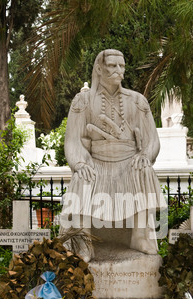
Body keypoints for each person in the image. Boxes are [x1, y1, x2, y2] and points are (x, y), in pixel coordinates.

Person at [60, 49, 164, 262]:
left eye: (122, 66)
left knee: (143, 167)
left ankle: (140, 236)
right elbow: (72, 139)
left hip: (129, 161)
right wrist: (80, 162)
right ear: (99, 68)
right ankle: (83, 241)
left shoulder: (137, 100)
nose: (119, 71)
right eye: (112, 66)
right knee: (83, 175)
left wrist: (145, 154)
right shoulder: (83, 101)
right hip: (96, 161)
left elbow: (152, 139)